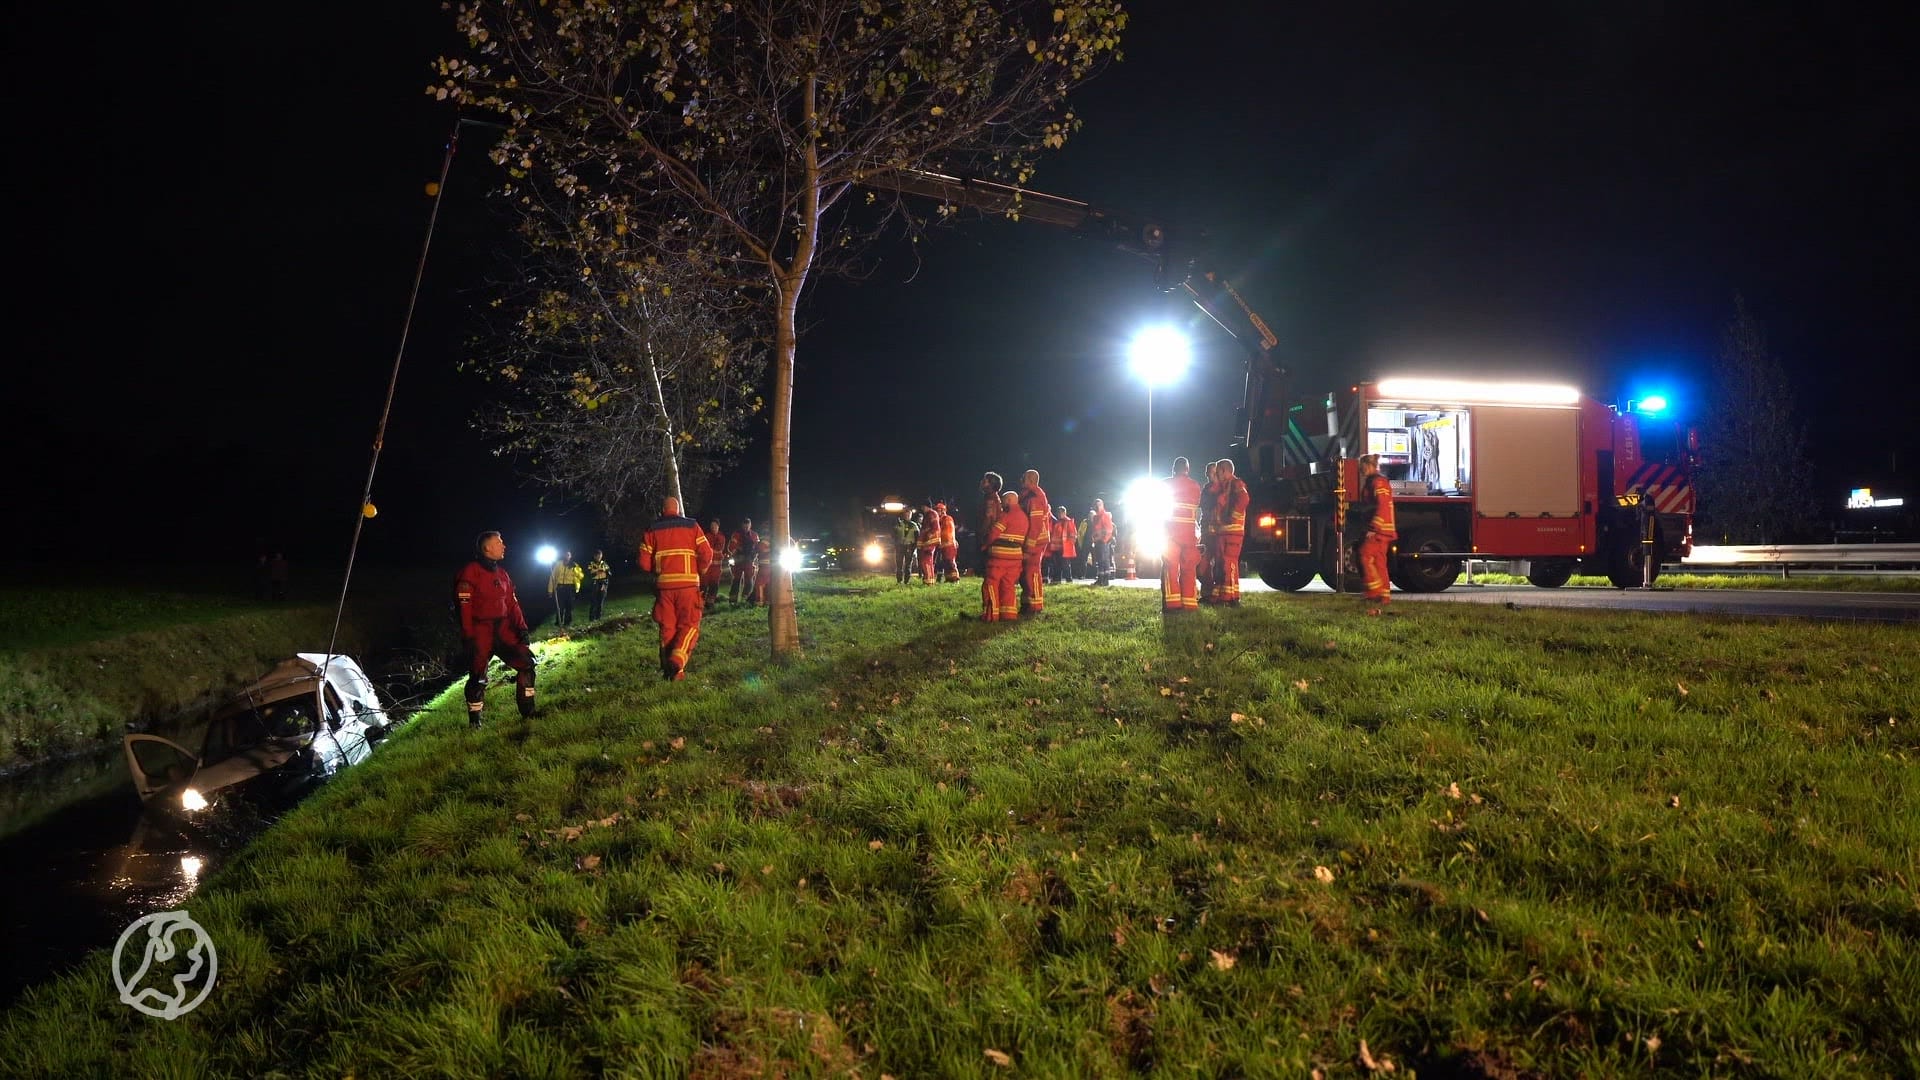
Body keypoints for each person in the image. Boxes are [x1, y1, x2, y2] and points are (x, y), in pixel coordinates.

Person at [454, 531, 536, 725]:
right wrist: (468, 637)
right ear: (487, 548)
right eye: (499, 542)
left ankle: (529, 712)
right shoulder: (469, 573)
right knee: (477, 677)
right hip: (480, 632)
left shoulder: (502, 574)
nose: (504, 546)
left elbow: (512, 603)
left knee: (528, 664)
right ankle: (475, 722)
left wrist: (522, 629)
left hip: (504, 631)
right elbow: (463, 609)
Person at [637, 497, 714, 680]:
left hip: (664, 588)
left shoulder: (652, 529)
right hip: (688, 586)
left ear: (662, 510)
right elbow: (707, 553)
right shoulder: (692, 526)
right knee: (690, 625)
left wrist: (657, 569)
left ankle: (672, 673)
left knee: (667, 627)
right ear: (678, 509)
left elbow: (643, 563)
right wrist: (701, 570)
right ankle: (677, 662)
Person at [1162, 457, 1203, 613]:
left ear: (1174, 469)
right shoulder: (1195, 486)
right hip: (1189, 534)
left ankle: (1172, 605)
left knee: (1171, 568)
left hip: (1170, 533)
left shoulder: (1165, 484)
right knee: (1189, 568)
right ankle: (1190, 604)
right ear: (1187, 469)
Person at [981, 489, 1028, 620]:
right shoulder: (1024, 517)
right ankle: (1009, 614)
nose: (1001, 505)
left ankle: (991, 615)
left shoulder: (1006, 515)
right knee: (1008, 585)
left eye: (1002, 502)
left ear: (1008, 500)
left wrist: (985, 544)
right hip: (1016, 557)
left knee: (991, 584)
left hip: (999, 556)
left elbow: (994, 533)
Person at [1357, 453, 1397, 606]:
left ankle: (1374, 593)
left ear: (1369, 466)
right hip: (1383, 530)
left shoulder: (1378, 482)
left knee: (1364, 555)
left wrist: (1374, 527)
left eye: (1362, 467)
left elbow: (1382, 505)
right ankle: (1384, 597)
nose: (1361, 471)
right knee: (1379, 562)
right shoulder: (1373, 482)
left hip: (1379, 530)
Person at [1211, 458, 1251, 605]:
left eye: (1218, 472)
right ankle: (1221, 596)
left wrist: (1232, 517)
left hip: (1233, 532)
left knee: (1228, 563)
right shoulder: (1223, 487)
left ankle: (1230, 598)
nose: (1217, 475)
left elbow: (1244, 499)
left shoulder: (1236, 484)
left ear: (1224, 471)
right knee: (1221, 564)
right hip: (1223, 532)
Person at [1019, 470, 1050, 614]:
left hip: (1036, 541)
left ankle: (1036, 605)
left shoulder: (1035, 499)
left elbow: (1035, 526)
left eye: (1024, 478)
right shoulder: (1028, 497)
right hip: (1031, 541)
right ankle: (1027, 603)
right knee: (1026, 572)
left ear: (1031, 480)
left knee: (1032, 571)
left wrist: (1029, 547)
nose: (1021, 480)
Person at [976, 472, 1004, 578]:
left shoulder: (990, 500)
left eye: (985, 480)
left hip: (988, 536)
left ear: (991, 484)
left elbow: (989, 518)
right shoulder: (990, 497)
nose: (982, 482)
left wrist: (983, 536)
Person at [727, 518, 759, 604]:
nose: (746, 528)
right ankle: (733, 600)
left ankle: (746, 598)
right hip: (739, 559)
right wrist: (738, 549)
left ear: (750, 525)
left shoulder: (754, 535)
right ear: (742, 525)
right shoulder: (737, 534)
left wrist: (753, 555)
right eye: (744, 526)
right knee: (736, 579)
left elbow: (757, 548)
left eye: (747, 526)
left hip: (749, 559)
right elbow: (731, 547)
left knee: (749, 579)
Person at [548, 550, 581, 628]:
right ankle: (558, 622)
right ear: (563, 556)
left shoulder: (574, 565)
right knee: (560, 606)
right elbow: (552, 577)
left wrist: (575, 570)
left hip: (570, 587)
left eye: (568, 555)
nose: (567, 556)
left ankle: (567, 622)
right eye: (565, 555)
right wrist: (550, 590)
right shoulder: (558, 564)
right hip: (560, 587)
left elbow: (580, 576)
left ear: (570, 556)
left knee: (569, 606)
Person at [1087, 498, 1116, 585]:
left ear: (1102, 505)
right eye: (1096, 505)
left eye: (1099, 505)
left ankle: (1105, 580)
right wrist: (1094, 539)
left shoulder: (1105, 515)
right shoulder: (1095, 517)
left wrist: (1104, 540)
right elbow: (1095, 530)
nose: (1097, 506)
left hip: (1104, 542)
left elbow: (1109, 530)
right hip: (1097, 542)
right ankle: (1100, 579)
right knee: (1099, 561)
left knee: (1104, 560)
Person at [700, 519, 727, 603]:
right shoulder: (706, 536)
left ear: (718, 527)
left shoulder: (721, 537)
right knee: (703, 584)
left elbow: (718, 549)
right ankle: (701, 602)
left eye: (715, 526)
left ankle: (710, 603)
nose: (713, 528)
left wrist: (710, 551)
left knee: (714, 585)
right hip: (707, 566)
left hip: (716, 567)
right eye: (712, 526)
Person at [916, 500, 942, 584]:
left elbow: (933, 528)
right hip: (928, 541)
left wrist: (927, 538)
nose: (922, 509)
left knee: (926, 560)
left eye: (923, 507)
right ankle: (929, 579)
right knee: (928, 561)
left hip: (929, 541)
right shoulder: (929, 514)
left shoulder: (931, 514)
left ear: (926, 506)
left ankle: (928, 580)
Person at [585, 549, 612, 621]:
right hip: (594, 583)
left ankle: (598, 618)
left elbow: (609, 573)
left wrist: (605, 572)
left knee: (600, 602)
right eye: (597, 556)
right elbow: (589, 573)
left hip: (603, 583)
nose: (599, 558)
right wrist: (598, 571)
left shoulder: (604, 563)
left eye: (600, 556)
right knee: (593, 601)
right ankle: (592, 618)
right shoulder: (591, 564)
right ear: (594, 556)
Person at [893, 510, 918, 584]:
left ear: (911, 516)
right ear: (903, 515)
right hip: (900, 546)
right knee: (899, 564)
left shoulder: (914, 525)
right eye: (906, 515)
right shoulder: (899, 524)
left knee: (908, 565)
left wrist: (914, 547)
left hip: (909, 546)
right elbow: (894, 535)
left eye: (909, 515)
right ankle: (899, 580)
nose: (907, 516)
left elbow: (917, 537)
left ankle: (906, 581)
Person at [938, 501, 960, 582]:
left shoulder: (947, 519)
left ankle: (955, 578)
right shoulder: (941, 520)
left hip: (948, 544)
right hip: (945, 544)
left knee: (950, 561)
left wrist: (944, 542)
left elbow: (947, 532)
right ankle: (948, 578)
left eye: (938, 510)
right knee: (946, 562)